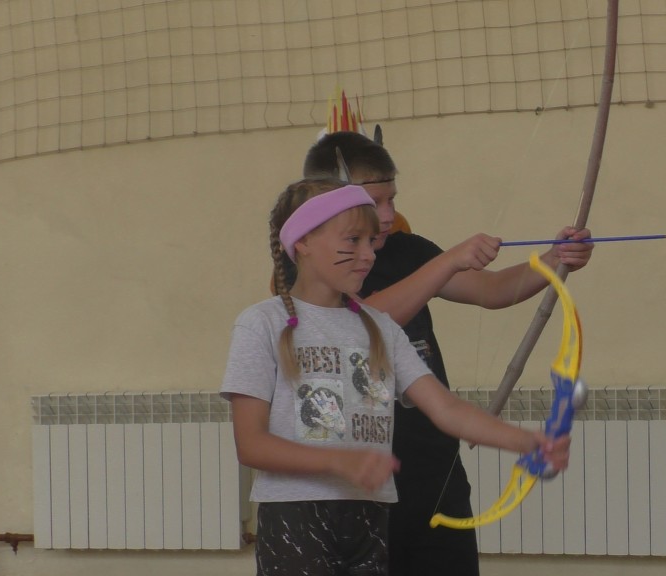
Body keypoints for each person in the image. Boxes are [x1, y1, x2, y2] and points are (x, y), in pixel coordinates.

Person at [220, 178, 571, 576]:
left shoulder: (381, 327)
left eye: (371, 242)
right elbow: (251, 445)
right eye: (353, 240)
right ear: (302, 241)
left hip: (370, 517)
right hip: (294, 516)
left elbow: (446, 409)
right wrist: (338, 461)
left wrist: (527, 441)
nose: (368, 255)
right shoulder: (261, 324)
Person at [303, 133, 593, 576]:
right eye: (373, 202)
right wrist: (448, 262)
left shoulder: (408, 250)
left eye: (391, 200)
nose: (388, 215)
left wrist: (555, 259)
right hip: (356, 481)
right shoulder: (311, 271)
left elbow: (491, 290)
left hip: (432, 469)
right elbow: (360, 326)